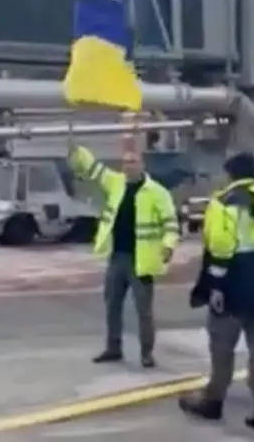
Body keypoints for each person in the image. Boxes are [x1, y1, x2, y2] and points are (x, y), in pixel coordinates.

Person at [179, 152, 254, 434]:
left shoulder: (224, 202)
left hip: (236, 282)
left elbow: (220, 246)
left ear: (229, 174)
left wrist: (215, 287)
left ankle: (213, 400)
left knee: (221, 344)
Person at [68, 139, 180, 368]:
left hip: (142, 261)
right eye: (125, 162)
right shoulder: (116, 183)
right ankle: (113, 348)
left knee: (144, 311)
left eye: (133, 162)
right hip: (117, 257)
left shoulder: (157, 193)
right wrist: (77, 151)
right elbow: (93, 168)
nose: (128, 166)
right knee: (112, 305)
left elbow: (171, 224)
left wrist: (168, 246)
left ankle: (147, 353)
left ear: (142, 164)